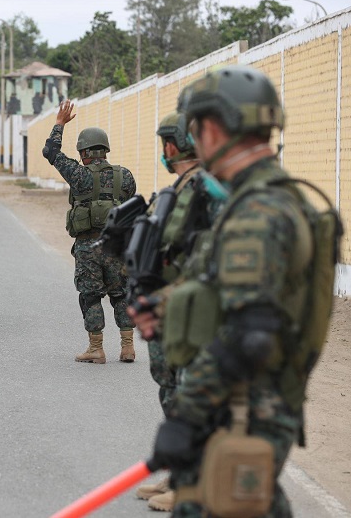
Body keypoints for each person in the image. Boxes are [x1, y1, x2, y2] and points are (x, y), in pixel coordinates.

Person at [132, 65, 339, 517]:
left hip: (243, 403)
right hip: (246, 398)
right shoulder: (259, 199)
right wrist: (167, 306)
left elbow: (251, 333)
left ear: (212, 128)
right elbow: (232, 291)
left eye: (194, 130)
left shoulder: (259, 212)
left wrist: (187, 414)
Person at [133, 111, 218, 512]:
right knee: (172, 390)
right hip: (174, 307)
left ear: (171, 146)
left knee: (190, 398)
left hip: (195, 310)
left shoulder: (207, 189)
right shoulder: (186, 186)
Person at [43, 99, 137, 363]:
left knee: (91, 295)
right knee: (121, 294)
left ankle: (96, 349)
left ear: (83, 152)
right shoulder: (124, 176)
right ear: (105, 149)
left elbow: (50, 152)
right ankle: (128, 347)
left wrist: (59, 124)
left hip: (88, 248)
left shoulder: (78, 174)